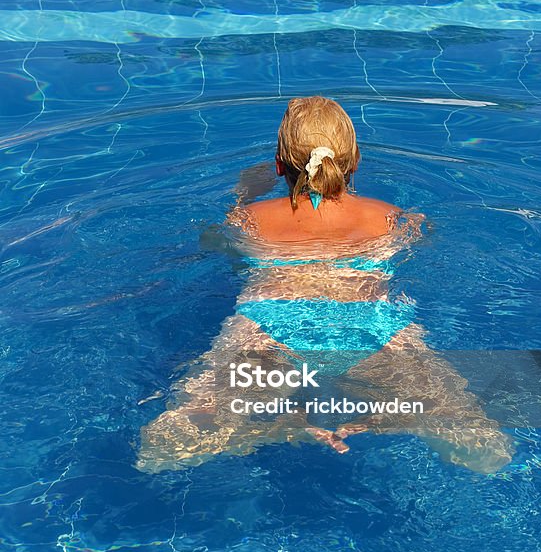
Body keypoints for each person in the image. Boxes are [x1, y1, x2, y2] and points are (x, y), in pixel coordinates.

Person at [137, 97, 513, 474]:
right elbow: (421, 246)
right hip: (373, 332)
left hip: (269, 333)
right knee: (486, 450)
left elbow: (214, 246)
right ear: (356, 160)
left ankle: (285, 429)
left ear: (280, 164)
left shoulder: (246, 220)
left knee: (164, 447)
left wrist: (243, 195)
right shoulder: (394, 218)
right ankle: (386, 420)